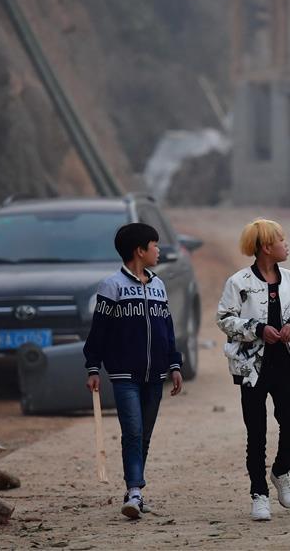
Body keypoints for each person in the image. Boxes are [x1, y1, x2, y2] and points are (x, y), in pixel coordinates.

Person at [83, 222, 183, 520]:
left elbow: (167, 329)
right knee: (133, 431)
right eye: (154, 245)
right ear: (140, 251)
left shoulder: (158, 285)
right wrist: (93, 366)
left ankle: (133, 492)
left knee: (145, 435)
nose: (159, 250)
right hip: (124, 373)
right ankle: (136, 490)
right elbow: (98, 331)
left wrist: (174, 364)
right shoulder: (112, 286)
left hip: (155, 376)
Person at [216, 218, 290, 521]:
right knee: (256, 434)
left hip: (285, 364)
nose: (287, 245)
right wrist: (256, 328)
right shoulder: (238, 282)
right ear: (267, 247)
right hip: (251, 369)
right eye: (282, 240)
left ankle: (281, 471)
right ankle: (259, 494)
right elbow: (224, 319)